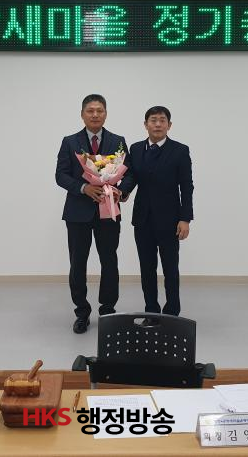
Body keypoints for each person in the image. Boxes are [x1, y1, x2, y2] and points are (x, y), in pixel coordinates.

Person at [55, 95, 127, 334]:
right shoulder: (70, 142)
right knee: (78, 263)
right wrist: (84, 188)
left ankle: (108, 311)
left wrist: (120, 191)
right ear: (82, 114)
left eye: (99, 110)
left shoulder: (118, 141)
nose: (95, 114)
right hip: (78, 213)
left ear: (106, 113)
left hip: (109, 211)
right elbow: (61, 175)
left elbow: (127, 173)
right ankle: (81, 312)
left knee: (109, 261)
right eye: (90, 110)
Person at [118, 106, 193, 317]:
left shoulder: (180, 150)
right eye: (153, 120)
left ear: (169, 125)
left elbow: (186, 186)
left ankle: (172, 313)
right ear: (145, 124)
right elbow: (131, 176)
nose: (158, 124)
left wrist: (185, 218)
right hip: (143, 219)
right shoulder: (135, 149)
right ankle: (151, 311)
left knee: (170, 269)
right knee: (147, 268)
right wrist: (122, 192)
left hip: (170, 220)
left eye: (162, 120)